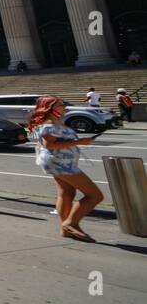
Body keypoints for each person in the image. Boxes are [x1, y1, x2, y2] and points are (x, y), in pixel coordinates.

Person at [28, 95, 102, 242]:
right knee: (95, 195)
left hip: (62, 162)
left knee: (66, 193)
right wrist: (79, 142)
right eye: (60, 105)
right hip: (61, 163)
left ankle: (65, 230)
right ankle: (70, 223)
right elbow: (50, 145)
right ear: (49, 108)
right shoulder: (49, 125)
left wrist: (78, 142)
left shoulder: (56, 122)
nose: (64, 107)